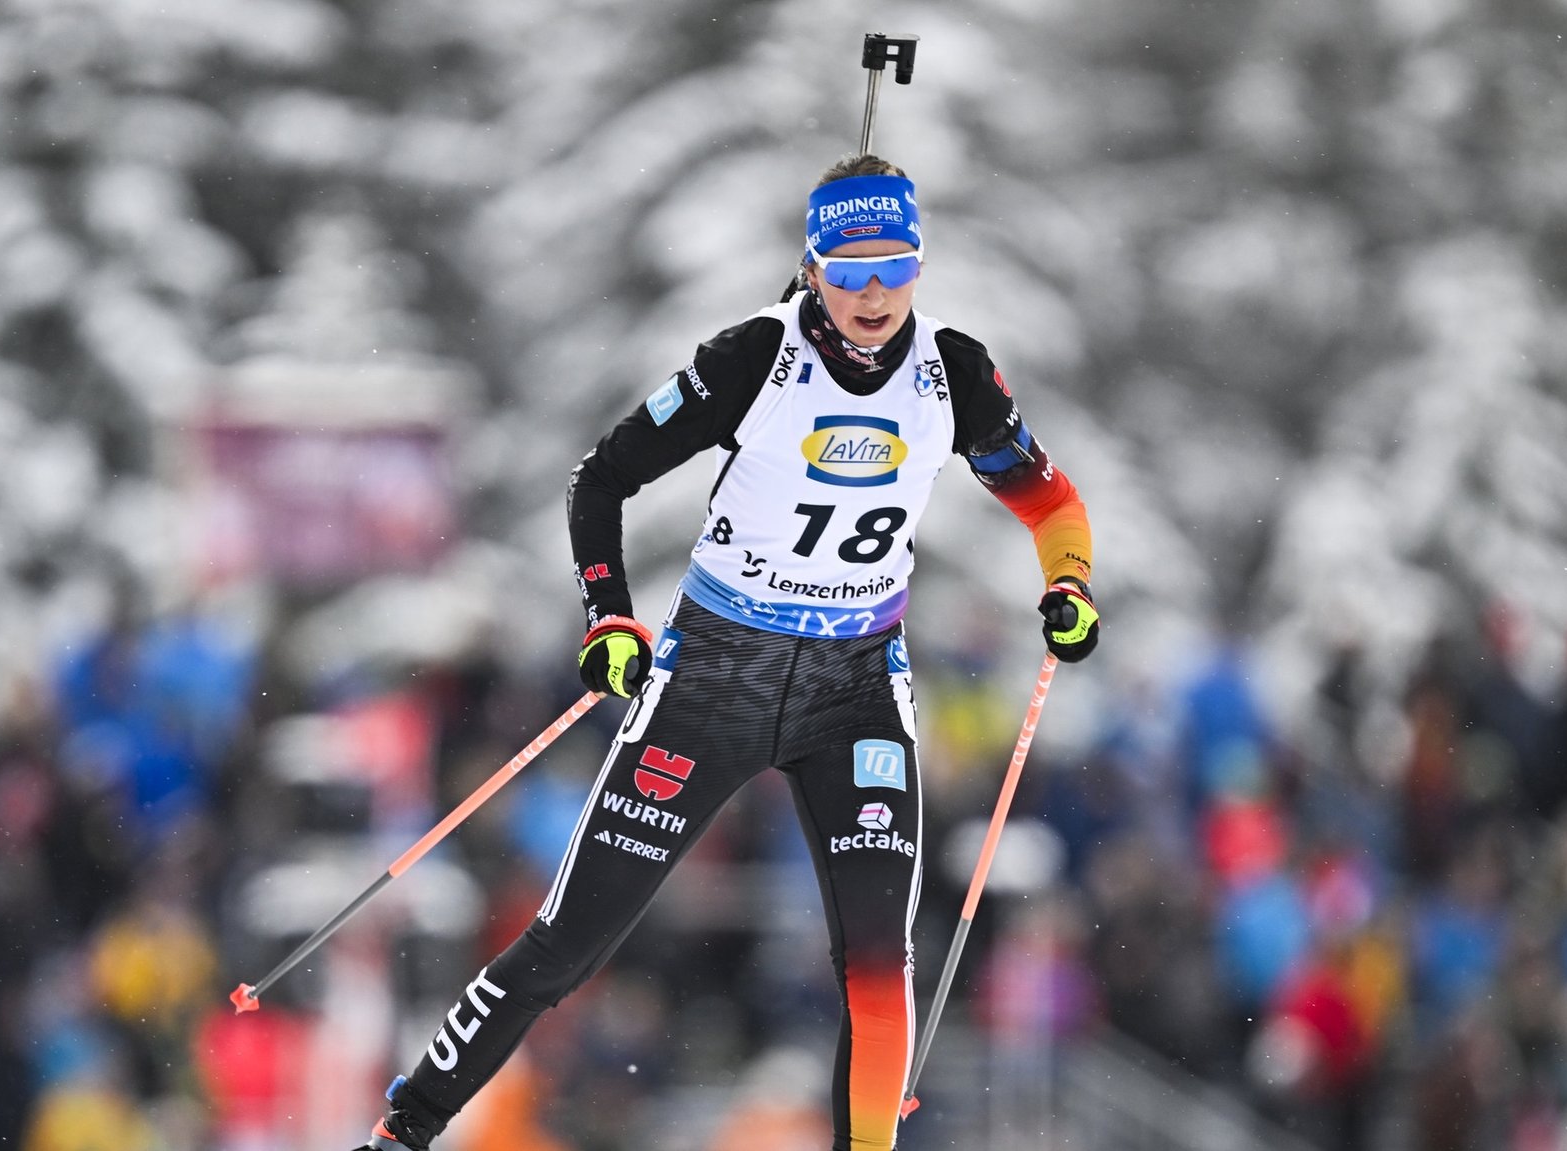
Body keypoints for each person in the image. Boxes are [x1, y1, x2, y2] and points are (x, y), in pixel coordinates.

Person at [354, 153, 1099, 1151]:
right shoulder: (756, 357)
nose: (872, 292)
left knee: (879, 961)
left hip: (854, 689)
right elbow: (600, 479)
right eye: (848, 267)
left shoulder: (951, 373)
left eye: (892, 266)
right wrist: (609, 616)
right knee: (570, 941)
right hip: (716, 675)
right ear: (814, 264)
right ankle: (406, 1126)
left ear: (919, 264)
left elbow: (1049, 500)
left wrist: (1067, 586)